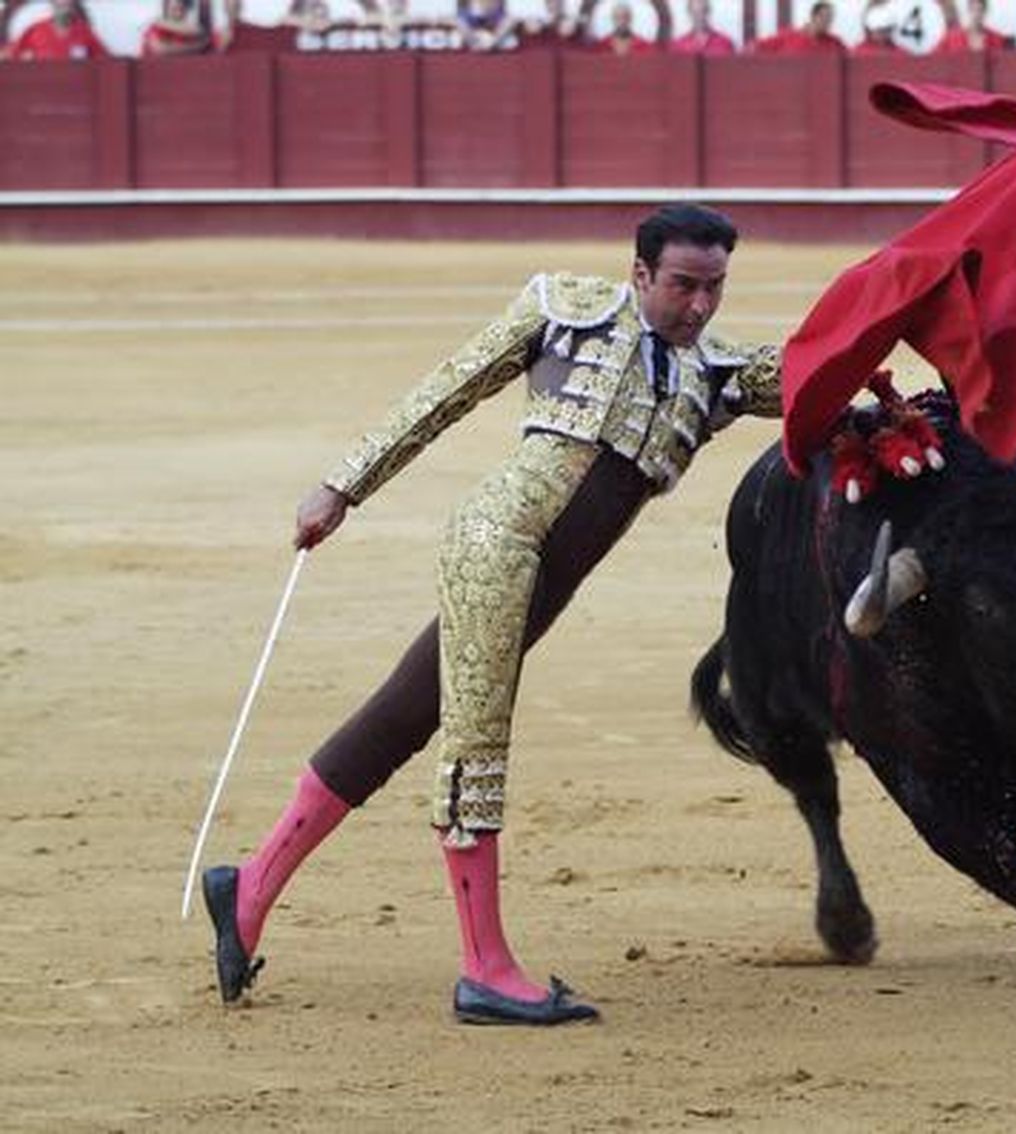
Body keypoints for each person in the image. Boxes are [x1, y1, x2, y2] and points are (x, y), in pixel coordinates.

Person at [200, 204, 782, 1027]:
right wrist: (342, 486)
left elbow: (818, 374)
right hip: (496, 544)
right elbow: (447, 389)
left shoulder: (712, 370)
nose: (698, 306)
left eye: (715, 288)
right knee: (476, 741)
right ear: (641, 273)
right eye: (683, 286)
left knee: (400, 718)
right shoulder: (564, 307)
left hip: (546, 579)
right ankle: (485, 968)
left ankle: (250, 884)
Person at [2, 0, 107, 60]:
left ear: (73, 7)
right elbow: (10, 54)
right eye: (59, 6)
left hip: (75, 90)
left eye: (67, 5)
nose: (63, 9)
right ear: (52, 6)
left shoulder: (85, 32)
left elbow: (105, 59)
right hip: (43, 90)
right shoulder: (36, 30)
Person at [753, 1, 846, 53]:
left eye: (830, 19)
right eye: (824, 17)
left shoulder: (835, 43)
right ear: (813, 16)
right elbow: (757, 47)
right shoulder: (788, 37)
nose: (827, 22)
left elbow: (853, 57)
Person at [141, 0, 214, 57]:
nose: (178, 13)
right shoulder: (156, 28)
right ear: (167, 7)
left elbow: (201, 34)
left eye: (182, 9)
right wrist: (196, 47)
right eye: (174, 9)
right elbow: (160, 49)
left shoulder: (196, 33)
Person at [932, 0, 1013, 51]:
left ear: (985, 12)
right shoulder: (951, 38)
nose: (977, 15)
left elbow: (1005, 64)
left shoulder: (997, 39)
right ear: (969, 10)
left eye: (980, 10)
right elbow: (932, 59)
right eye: (974, 10)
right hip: (960, 77)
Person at [670, 0, 736, 54]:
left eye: (703, 12)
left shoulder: (725, 43)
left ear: (708, 11)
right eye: (696, 13)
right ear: (689, 12)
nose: (700, 17)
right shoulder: (678, 46)